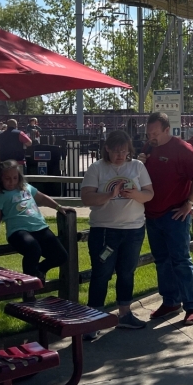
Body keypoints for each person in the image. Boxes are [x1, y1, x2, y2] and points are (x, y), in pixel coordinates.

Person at [80, 130, 154, 330]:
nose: (120, 155)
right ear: (107, 150)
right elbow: (86, 198)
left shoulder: (137, 166)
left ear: (129, 150)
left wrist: (136, 194)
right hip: (105, 231)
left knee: (127, 272)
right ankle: (94, 319)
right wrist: (109, 195)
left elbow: (149, 194)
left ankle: (125, 314)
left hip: (133, 230)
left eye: (124, 151)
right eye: (116, 151)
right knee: (101, 273)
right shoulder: (97, 168)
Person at [139, 112, 193, 325]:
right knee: (161, 261)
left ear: (167, 130)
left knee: (180, 260)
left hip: (175, 214)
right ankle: (170, 301)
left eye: (155, 133)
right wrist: (140, 163)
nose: (151, 136)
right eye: (149, 133)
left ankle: (192, 305)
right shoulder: (148, 148)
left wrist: (189, 203)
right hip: (152, 214)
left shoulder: (182, 149)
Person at [0, 159, 69, 278]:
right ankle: (29, 290)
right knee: (33, 250)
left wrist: (59, 207)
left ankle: (38, 271)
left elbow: (42, 198)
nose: (12, 182)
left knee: (61, 256)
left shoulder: (25, 187)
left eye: (15, 178)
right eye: (7, 179)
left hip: (39, 227)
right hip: (18, 231)